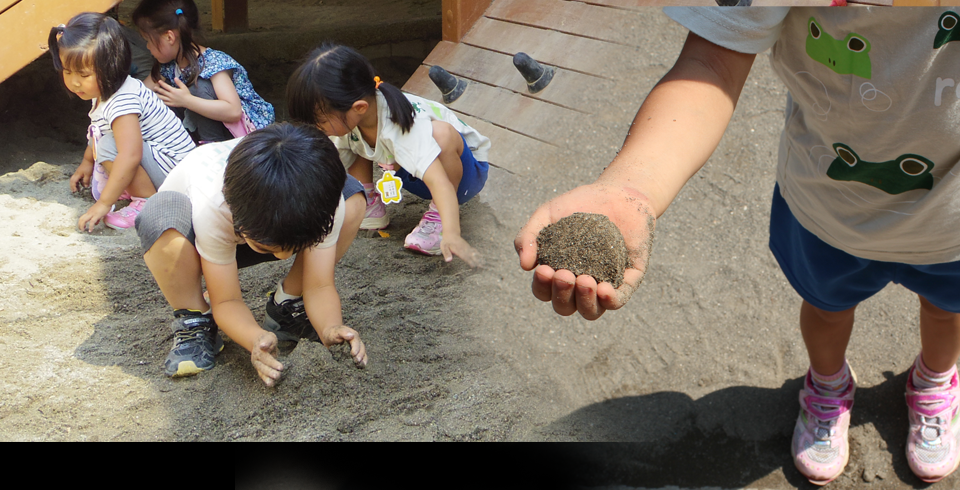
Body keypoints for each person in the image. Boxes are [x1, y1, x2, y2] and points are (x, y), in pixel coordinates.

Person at [515, 7, 960, 485]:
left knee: (946, 311)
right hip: (827, 209)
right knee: (827, 309)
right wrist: (632, 186)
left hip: (951, 226)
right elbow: (712, 60)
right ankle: (828, 386)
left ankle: (934, 380)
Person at [134, 122, 367, 386]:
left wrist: (330, 327)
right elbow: (226, 301)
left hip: (260, 230)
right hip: (190, 241)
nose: (282, 258)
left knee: (351, 194)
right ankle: (194, 318)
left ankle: (288, 306)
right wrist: (253, 338)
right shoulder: (214, 204)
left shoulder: (322, 199)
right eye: (272, 250)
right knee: (160, 214)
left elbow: (320, 284)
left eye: (292, 250)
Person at [286, 42, 489, 267]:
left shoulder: (402, 126)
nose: (317, 128)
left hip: (461, 176)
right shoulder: (355, 117)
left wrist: (452, 233)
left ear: (359, 107)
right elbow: (326, 170)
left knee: (441, 134)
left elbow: (440, 182)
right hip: (409, 170)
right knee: (347, 137)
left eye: (320, 121)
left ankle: (439, 219)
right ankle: (369, 204)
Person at [49, 12, 195, 231]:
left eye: (84, 74)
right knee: (108, 141)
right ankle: (133, 185)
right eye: (67, 72)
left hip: (177, 171)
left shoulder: (123, 101)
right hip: (162, 162)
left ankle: (146, 200)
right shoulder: (108, 89)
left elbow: (130, 154)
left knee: (110, 145)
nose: (74, 82)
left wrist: (104, 203)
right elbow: (98, 128)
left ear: (111, 66)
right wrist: (87, 162)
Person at [132, 0, 275, 143]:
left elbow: (234, 111)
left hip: (247, 138)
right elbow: (140, 92)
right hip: (210, 129)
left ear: (169, 37)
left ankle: (212, 152)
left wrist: (187, 101)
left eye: (148, 40)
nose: (148, 47)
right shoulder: (167, 66)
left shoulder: (214, 63)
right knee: (163, 95)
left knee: (198, 87)